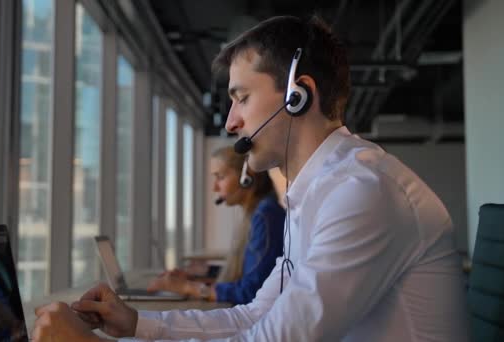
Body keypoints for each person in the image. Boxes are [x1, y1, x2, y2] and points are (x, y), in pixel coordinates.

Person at [33, 15, 469, 341]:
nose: (231, 122)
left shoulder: (362, 192)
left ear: (298, 97)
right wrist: (138, 324)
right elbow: (253, 317)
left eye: (241, 98)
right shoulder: (315, 195)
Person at [147, 146, 285, 305]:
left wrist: (188, 287)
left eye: (220, 177)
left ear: (247, 177)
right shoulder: (258, 212)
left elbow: (252, 291)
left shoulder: (266, 216)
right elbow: (254, 271)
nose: (215, 187)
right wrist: (204, 271)